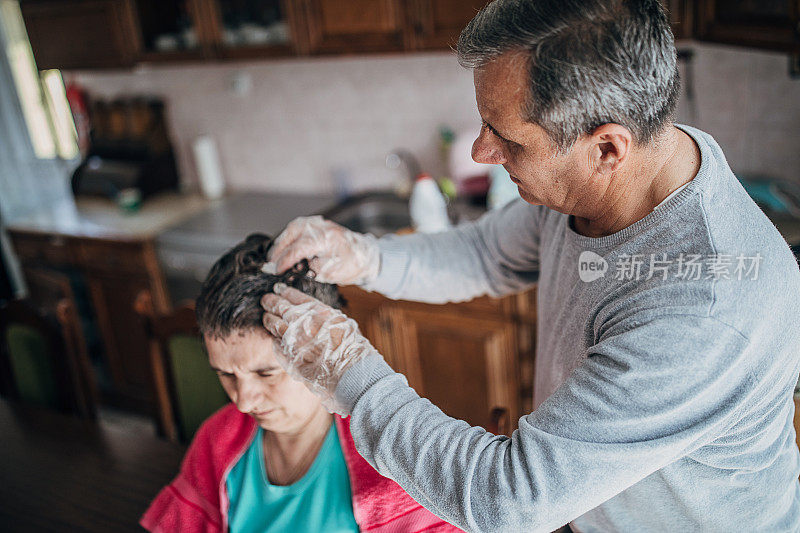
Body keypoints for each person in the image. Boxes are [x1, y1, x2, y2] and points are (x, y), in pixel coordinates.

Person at [259, 1, 800, 531]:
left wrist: (353, 378)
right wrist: (365, 256)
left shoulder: (702, 308)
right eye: (485, 124)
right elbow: (486, 252)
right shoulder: (615, 176)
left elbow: (510, 499)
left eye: (508, 140)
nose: (479, 151)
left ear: (608, 149)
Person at [140, 234, 463, 532]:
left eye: (266, 373)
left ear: (323, 351)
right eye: (226, 375)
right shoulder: (216, 441)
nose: (243, 402)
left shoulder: (393, 465)